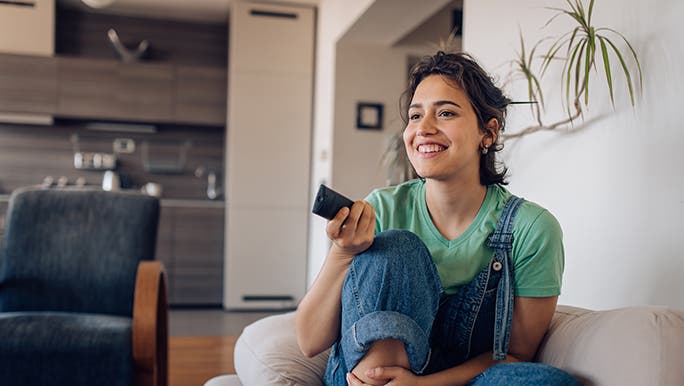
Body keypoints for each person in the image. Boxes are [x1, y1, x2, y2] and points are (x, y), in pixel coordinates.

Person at [295, 51, 579, 386]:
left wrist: (423, 385)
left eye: (445, 113)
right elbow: (309, 342)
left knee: (548, 383)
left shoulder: (531, 228)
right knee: (398, 247)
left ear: (487, 133)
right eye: (415, 116)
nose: (423, 129)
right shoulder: (383, 208)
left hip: (457, 379)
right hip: (370, 376)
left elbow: (514, 354)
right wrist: (342, 254)